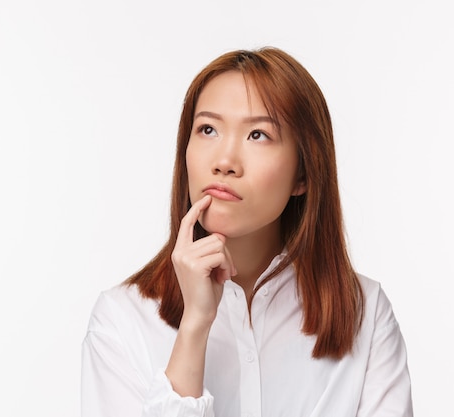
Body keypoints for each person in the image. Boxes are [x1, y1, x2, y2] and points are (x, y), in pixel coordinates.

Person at [81, 47, 413, 417]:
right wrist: (194, 328)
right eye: (208, 129)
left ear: (302, 174)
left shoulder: (364, 314)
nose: (224, 162)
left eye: (258, 135)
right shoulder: (122, 320)